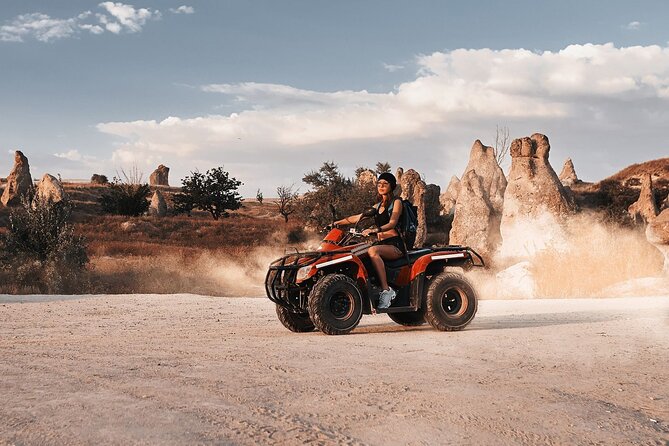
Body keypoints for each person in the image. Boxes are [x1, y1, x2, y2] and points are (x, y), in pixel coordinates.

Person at [334, 172, 404, 309]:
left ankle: (386, 290)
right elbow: (358, 217)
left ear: (392, 186)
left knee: (372, 250)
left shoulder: (397, 202)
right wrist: (337, 223)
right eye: (379, 184)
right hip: (381, 244)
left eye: (385, 183)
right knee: (358, 252)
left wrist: (375, 230)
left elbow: (392, 223)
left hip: (395, 245)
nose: (381, 186)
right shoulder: (378, 206)